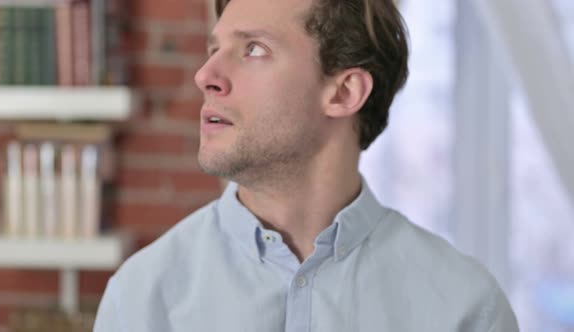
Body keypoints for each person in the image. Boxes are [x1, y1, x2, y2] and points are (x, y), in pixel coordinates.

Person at [94, 0, 519, 330]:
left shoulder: (465, 310)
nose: (205, 74)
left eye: (253, 49)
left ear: (344, 92)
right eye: (215, 48)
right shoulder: (142, 299)